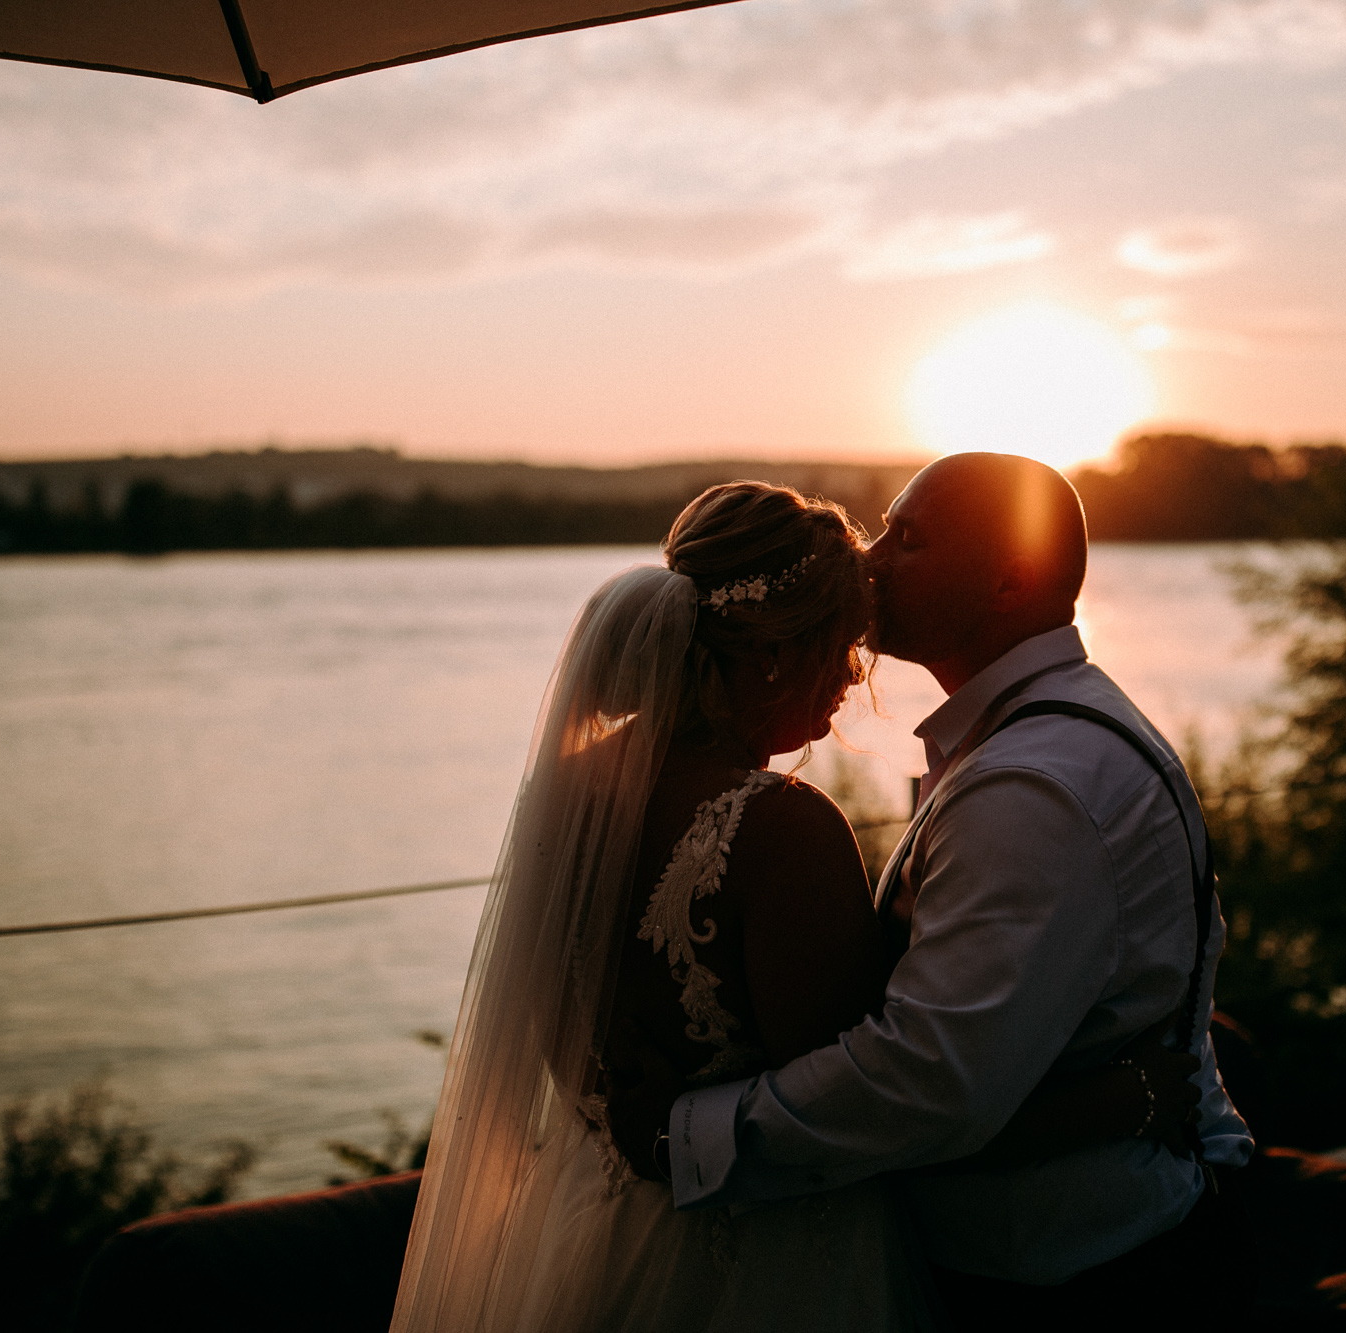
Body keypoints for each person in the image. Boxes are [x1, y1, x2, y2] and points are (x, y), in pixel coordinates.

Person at [389, 480, 1200, 1333]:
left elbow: (574, 1053)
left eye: (907, 538)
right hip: (766, 1263)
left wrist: (644, 1127)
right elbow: (887, 1111)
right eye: (842, 646)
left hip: (593, 1230)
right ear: (774, 656)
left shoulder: (572, 796)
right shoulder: (782, 828)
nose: (855, 679)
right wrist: (1113, 1104)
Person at [611, 453, 1255, 1323]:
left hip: (1070, 1274)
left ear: (1009, 579)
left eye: (905, 538)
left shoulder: (1034, 786)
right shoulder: (1026, 746)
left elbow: (929, 1077)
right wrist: (1108, 1102)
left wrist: (686, 1135)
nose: (868, 558)